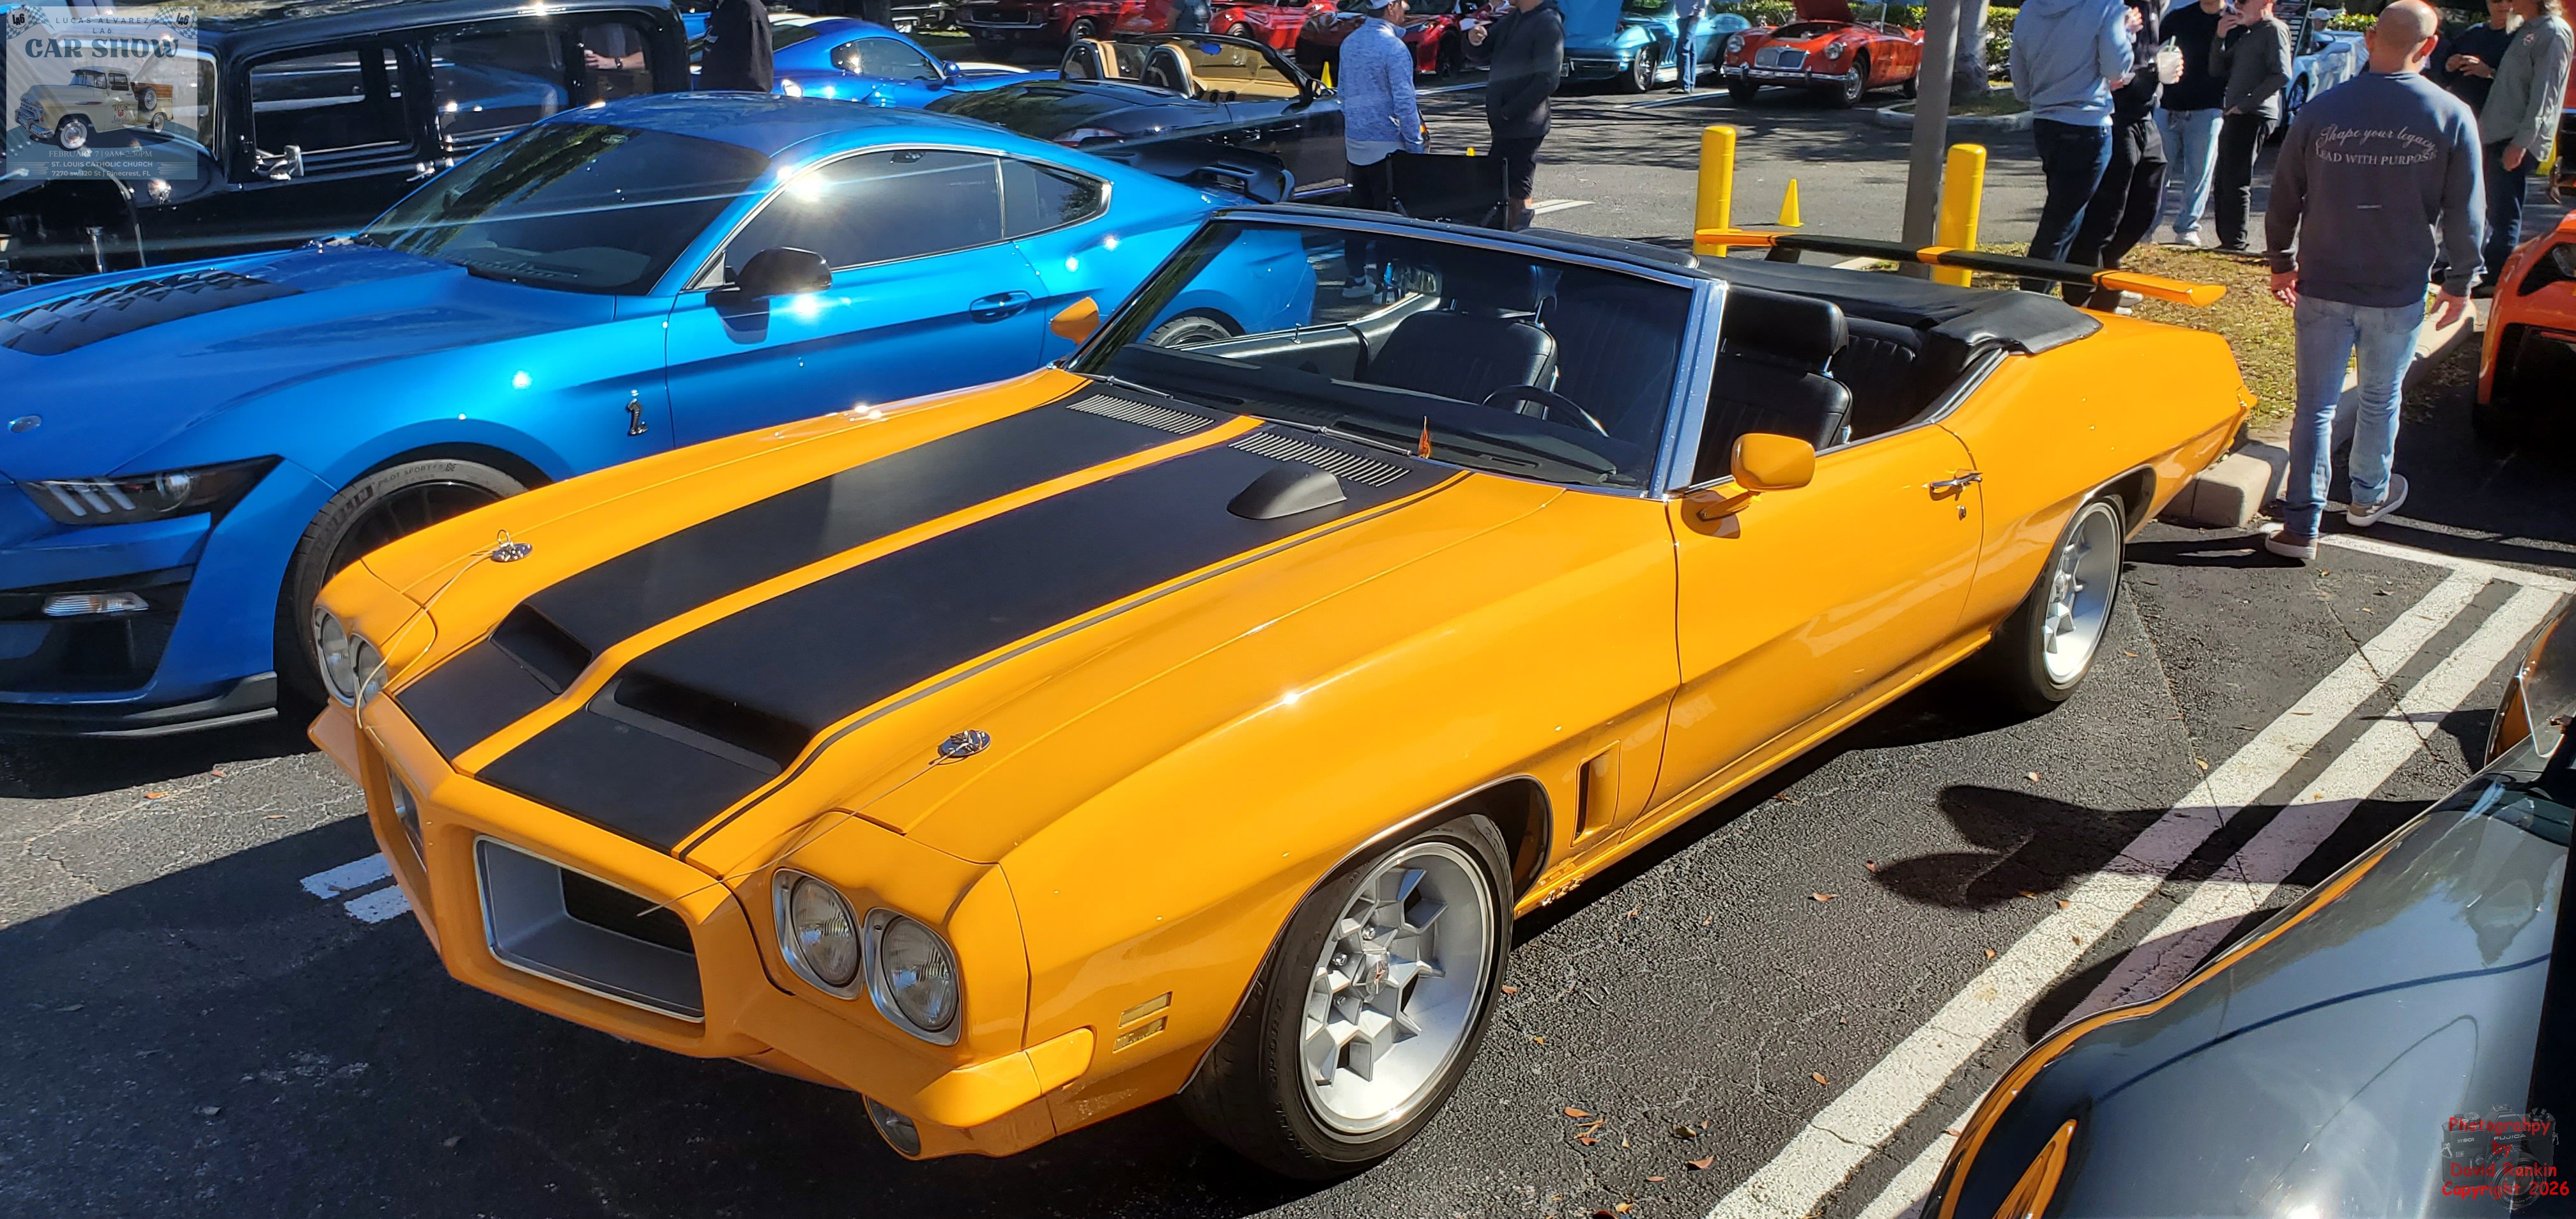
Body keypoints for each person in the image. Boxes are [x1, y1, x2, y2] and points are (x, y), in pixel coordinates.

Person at [2260, 0, 2481, 564]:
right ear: (2430, 47)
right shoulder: (2451, 114)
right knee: (2381, 396)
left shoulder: (2323, 108)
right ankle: (2368, 496)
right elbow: (2465, 210)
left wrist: (2281, 259)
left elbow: (2284, 193)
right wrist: (2460, 280)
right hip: (2399, 284)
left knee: (2316, 407)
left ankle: (2301, 525)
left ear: (2369, 38)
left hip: (2324, 279)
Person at [2008, 0, 2136, 289]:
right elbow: (2116, 70)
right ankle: (2033, 294)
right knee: (2062, 222)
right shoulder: (2106, 6)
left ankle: (2050, 289)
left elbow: (2021, 87)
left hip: (2046, 124)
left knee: (2062, 214)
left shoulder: (2030, 9)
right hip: (2088, 123)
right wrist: (2126, 32)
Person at [2066, 0, 2166, 307]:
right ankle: (2082, 295)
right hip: (2112, 113)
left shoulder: (2154, 6)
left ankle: (2107, 274)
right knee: (2105, 212)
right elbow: (2086, 50)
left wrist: (2162, 68)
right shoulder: (2109, 6)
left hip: (2145, 112)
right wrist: (2122, 34)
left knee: (2145, 206)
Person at [2474, 0, 2572, 293]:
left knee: (2505, 213)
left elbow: (2546, 95)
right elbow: (2519, 82)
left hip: (2515, 137)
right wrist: (2488, 73)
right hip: (2498, 133)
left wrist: (2521, 143)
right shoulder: (2526, 28)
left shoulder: (2553, 32)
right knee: (2495, 208)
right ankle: (2492, 272)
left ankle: (2497, 280)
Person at [1338, 0, 1425, 292]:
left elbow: (1343, 93)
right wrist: (1415, 145)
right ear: (1390, 7)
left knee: (1358, 213)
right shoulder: (1394, 48)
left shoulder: (1350, 43)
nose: (1406, 7)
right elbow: (1405, 102)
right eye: (1402, 3)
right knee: (1388, 217)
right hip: (1387, 143)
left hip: (1356, 140)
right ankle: (1385, 285)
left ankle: (1355, 279)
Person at [1468, 0, 1564, 231]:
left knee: (1517, 187)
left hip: (1526, 124)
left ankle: (1519, 237)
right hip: (1503, 123)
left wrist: (1509, 111)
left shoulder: (1548, 22)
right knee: (1497, 183)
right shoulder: (1513, 18)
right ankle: (1505, 234)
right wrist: (1473, 39)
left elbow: (1548, 79)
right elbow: (1482, 51)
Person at [2207, 0, 2290, 252]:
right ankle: (2228, 241)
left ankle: (2235, 242)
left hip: (2254, 115)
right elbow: (2217, 70)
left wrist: (2245, 105)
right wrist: (2220, 37)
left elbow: (2282, 74)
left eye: (2244, 1)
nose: (2238, 5)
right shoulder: (2249, 33)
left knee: (2235, 178)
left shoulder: (2274, 29)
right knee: (2224, 178)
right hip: (2237, 114)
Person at [2154, 0, 2227, 246]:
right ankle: (2146, 227)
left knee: (2199, 172)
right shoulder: (2178, 18)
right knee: (2158, 171)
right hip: (2168, 105)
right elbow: (2155, 51)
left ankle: (2188, 227)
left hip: (2209, 107)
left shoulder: (2232, 21)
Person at [2433, 0, 2522, 113]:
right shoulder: (2473, 32)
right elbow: (2442, 75)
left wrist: (2490, 73)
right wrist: (2450, 66)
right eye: (2497, 0)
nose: (2504, 5)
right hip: (2459, 109)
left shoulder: (2522, 38)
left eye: (2510, 0)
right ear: (2488, 3)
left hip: (2495, 113)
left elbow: (2522, 83)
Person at [699, 0, 775, 92]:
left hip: (736, 98)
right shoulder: (721, 8)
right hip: (714, 96)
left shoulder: (748, 9)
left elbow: (756, 77)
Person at [1675, 0, 1706, 93]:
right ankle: (1690, 83)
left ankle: (1684, 85)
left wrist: (1698, 14)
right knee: (1691, 50)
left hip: (1691, 16)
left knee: (1683, 49)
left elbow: (1703, 3)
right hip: (1683, 16)